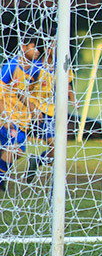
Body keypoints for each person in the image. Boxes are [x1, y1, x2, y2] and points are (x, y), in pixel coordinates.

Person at [24, 45, 76, 183]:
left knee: (58, 149)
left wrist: (73, 100)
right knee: (56, 145)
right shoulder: (36, 67)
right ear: (47, 48)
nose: (56, 47)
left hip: (54, 111)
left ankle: (38, 161)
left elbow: (67, 84)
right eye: (52, 44)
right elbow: (24, 88)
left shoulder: (61, 65)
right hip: (40, 111)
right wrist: (31, 106)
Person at [0, 39, 42, 192]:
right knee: (16, 148)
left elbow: (23, 93)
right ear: (23, 47)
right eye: (33, 47)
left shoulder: (33, 70)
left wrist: (33, 110)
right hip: (9, 118)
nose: (37, 50)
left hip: (22, 120)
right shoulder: (12, 65)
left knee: (11, 150)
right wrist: (5, 116)